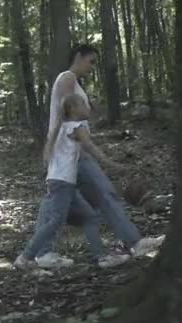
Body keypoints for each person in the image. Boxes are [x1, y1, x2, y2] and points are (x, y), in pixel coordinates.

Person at [39, 44, 163, 268]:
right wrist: (53, 146)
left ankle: (42, 253)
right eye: (91, 61)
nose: (92, 67)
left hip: (72, 150)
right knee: (99, 194)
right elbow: (66, 114)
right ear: (78, 56)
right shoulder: (67, 78)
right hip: (70, 150)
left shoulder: (73, 82)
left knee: (60, 201)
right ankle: (134, 243)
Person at [14, 94, 131, 270]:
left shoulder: (61, 127)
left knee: (89, 217)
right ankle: (26, 257)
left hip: (61, 181)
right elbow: (90, 148)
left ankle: (101, 258)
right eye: (83, 103)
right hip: (62, 182)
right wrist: (113, 164)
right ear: (73, 108)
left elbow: (50, 151)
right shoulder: (76, 127)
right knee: (55, 221)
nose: (87, 106)